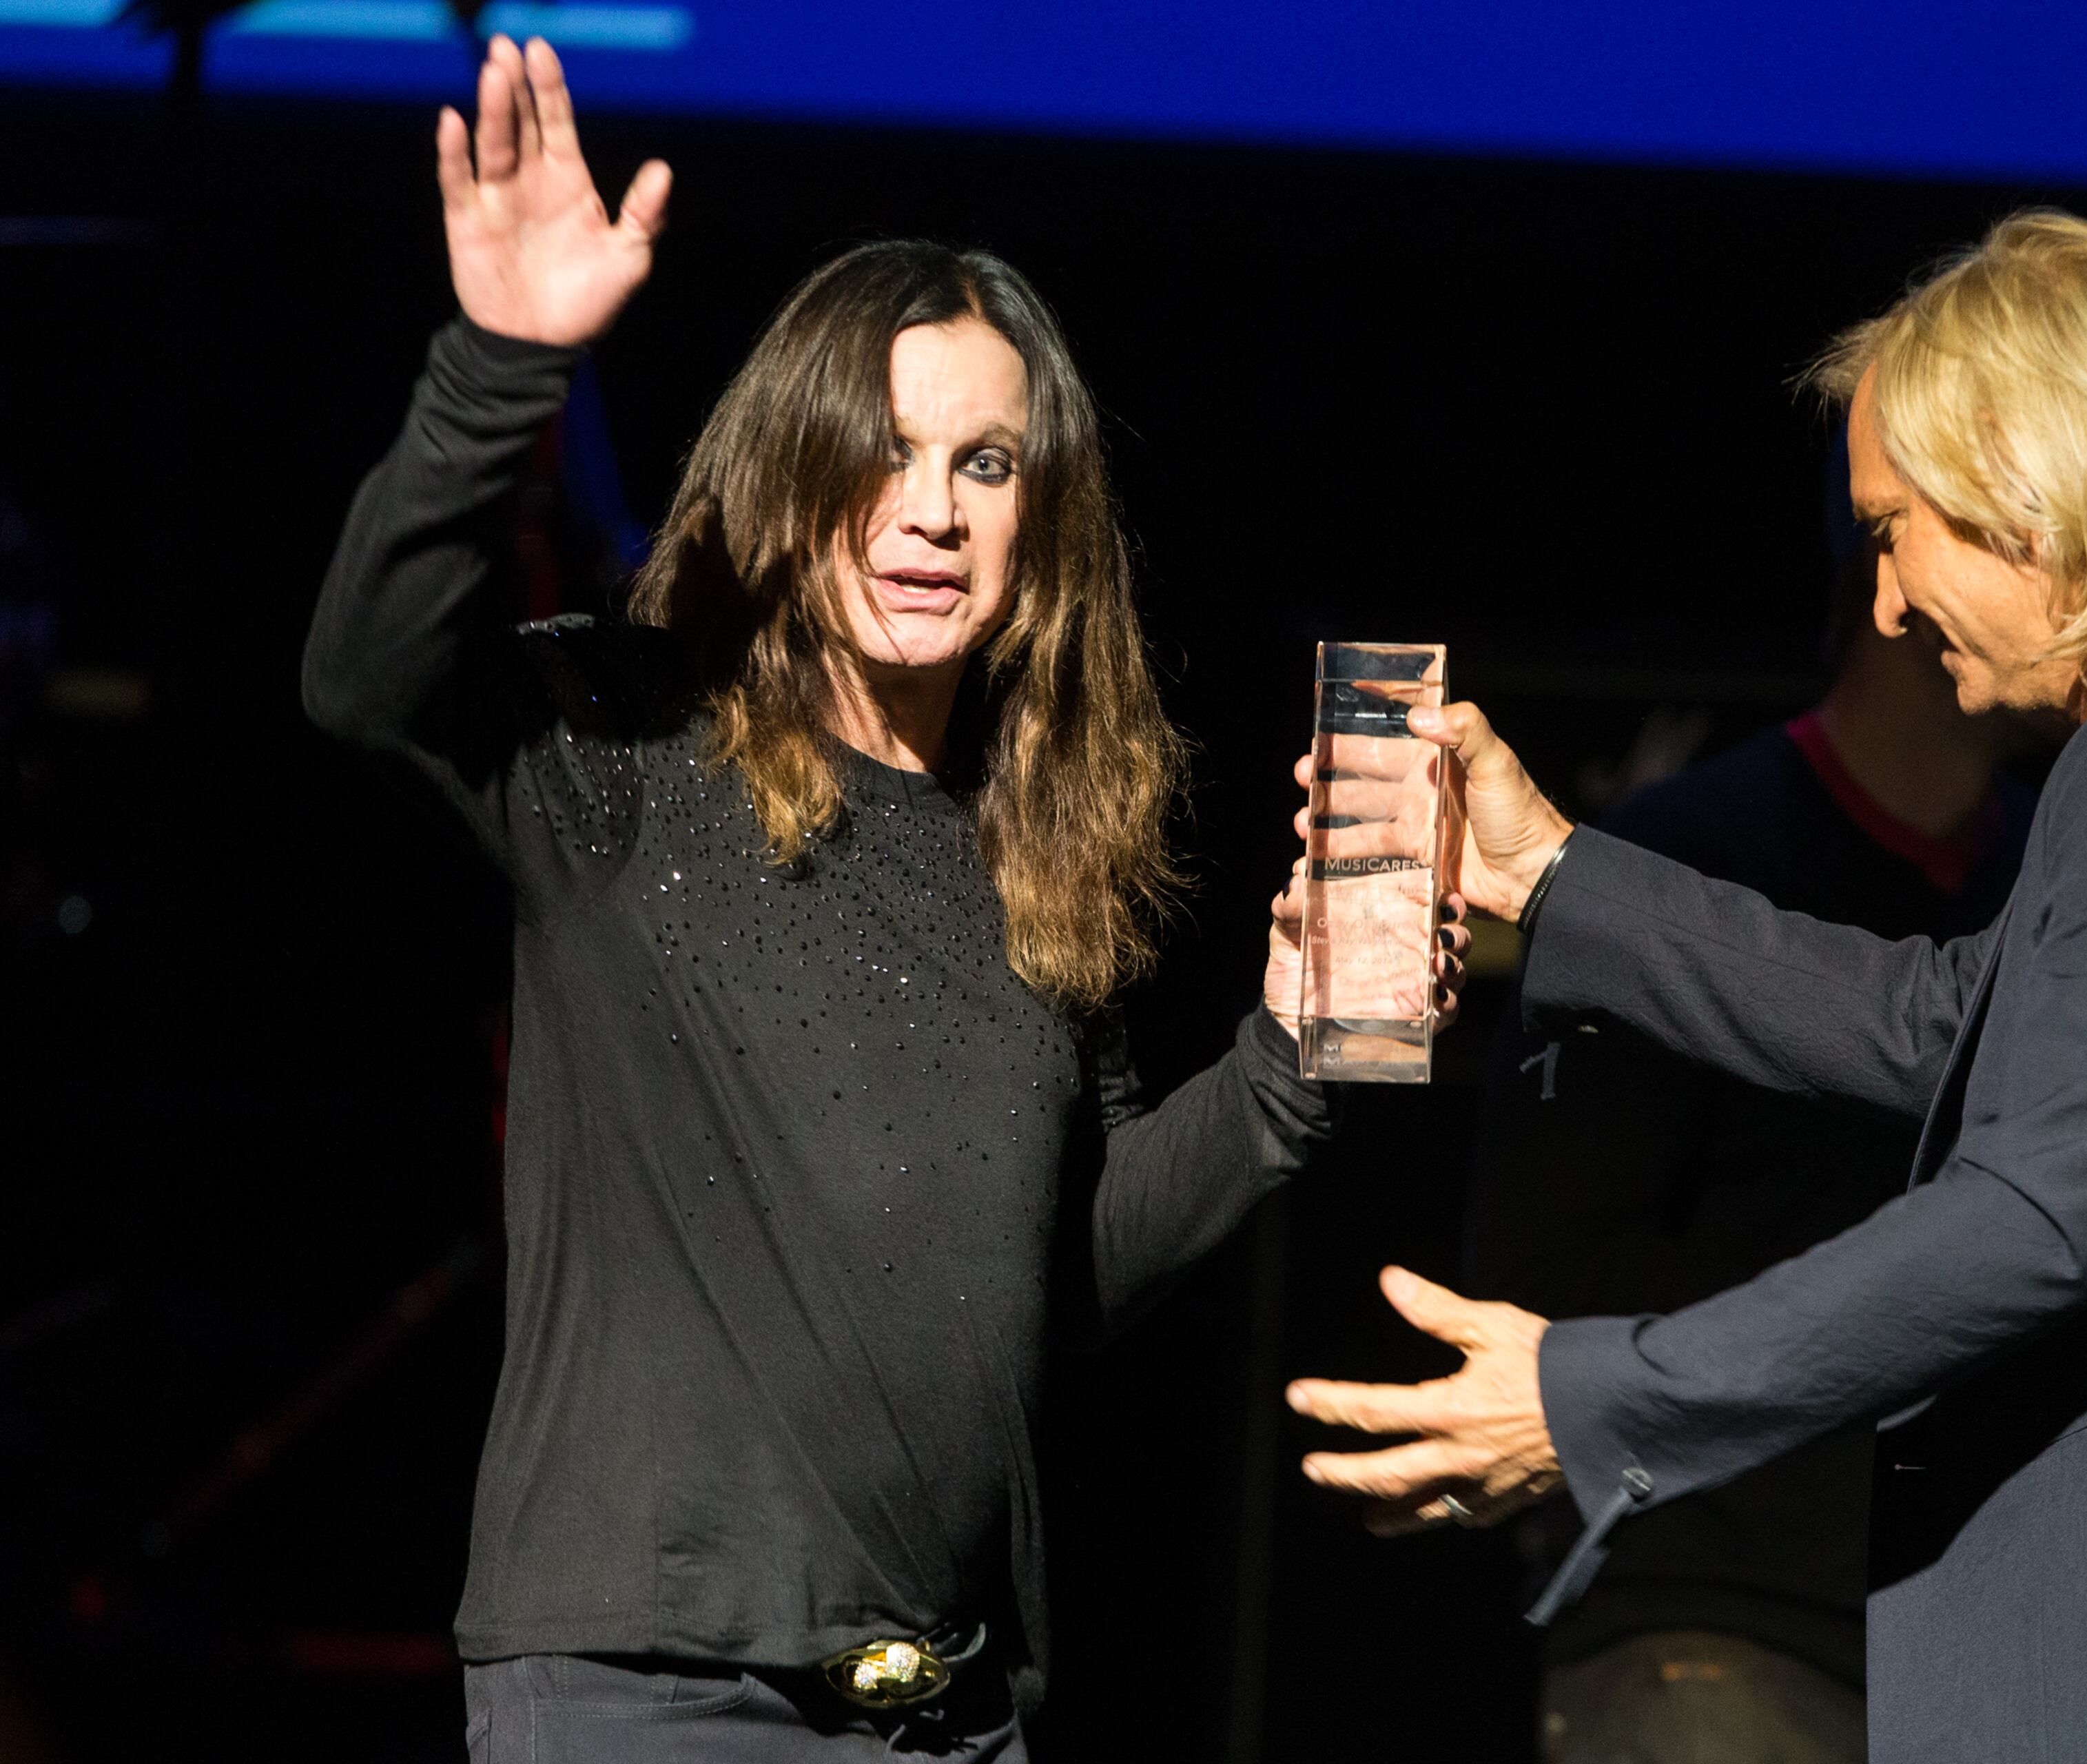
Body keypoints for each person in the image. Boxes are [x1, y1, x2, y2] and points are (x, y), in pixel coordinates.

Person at [303, 37, 1458, 1760]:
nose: (928, 512)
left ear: (1041, 515)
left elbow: (1048, 1278)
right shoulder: (632, 742)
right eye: (885, 452)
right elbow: (364, 677)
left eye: (985, 465)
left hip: (941, 1708)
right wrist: (501, 370)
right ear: (793, 464)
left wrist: (1295, 1064)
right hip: (648, 1691)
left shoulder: (1039, 847)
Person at [1284, 211, 2087, 1763]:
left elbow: (2034, 1213)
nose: (1878, 603)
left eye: (1893, 529)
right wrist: (1557, 876)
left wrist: (1603, 1395)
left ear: (2024, 484)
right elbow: (1955, 1020)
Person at [1466, 472, 2039, 1764]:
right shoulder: (1679, 864)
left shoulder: (2059, 872)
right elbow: (1545, 1274)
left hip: (1989, 1639)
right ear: (1887, 581)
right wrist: (1908, 1338)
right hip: (1727, 1627)